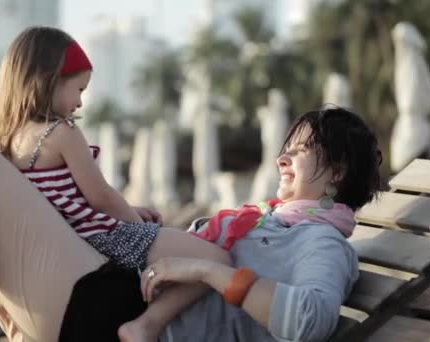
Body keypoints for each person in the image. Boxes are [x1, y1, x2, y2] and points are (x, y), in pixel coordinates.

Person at [0, 26, 230, 342]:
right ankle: (148, 324)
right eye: (78, 89)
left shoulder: (4, 146)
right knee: (217, 258)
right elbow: (101, 196)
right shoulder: (61, 132)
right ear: (49, 80)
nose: (80, 102)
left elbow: (66, 202)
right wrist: (135, 220)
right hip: (95, 271)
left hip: (82, 287)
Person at [140, 106, 382, 341]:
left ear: (336, 172)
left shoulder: (323, 242)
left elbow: (310, 319)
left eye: (300, 150)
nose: (282, 159)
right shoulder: (269, 218)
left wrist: (207, 270)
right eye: (287, 150)